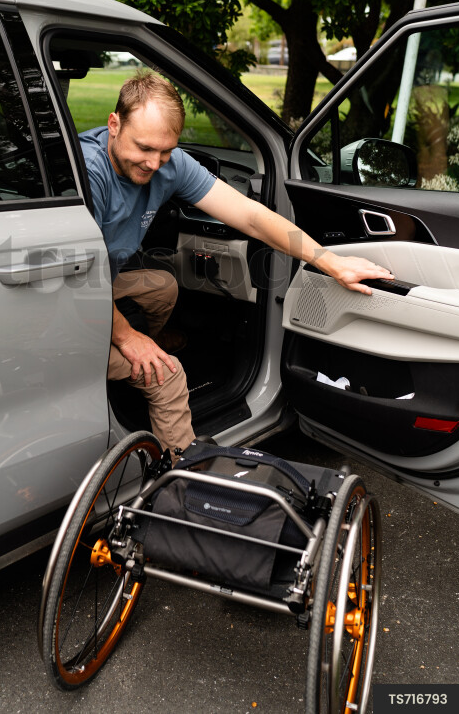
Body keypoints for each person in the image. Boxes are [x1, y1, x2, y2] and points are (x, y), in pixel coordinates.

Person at [79, 71, 392, 458]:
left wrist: (329, 261)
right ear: (114, 124)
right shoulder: (89, 174)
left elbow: (249, 215)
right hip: (70, 299)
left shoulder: (169, 163)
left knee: (161, 287)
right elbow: (76, 279)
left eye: (165, 151)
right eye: (144, 148)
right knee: (170, 375)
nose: (155, 163)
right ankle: (181, 481)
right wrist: (127, 337)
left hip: (98, 285)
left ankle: (144, 350)